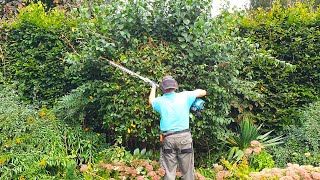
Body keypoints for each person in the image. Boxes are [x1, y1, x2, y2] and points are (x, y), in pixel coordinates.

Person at [148, 75, 207, 180]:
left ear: (162, 88)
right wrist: (194, 93)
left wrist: (153, 88)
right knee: (187, 172)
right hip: (184, 138)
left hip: (168, 138)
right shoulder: (185, 96)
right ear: (175, 87)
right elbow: (203, 92)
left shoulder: (160, 101)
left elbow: (151, 102)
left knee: (169, 172)